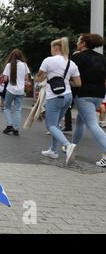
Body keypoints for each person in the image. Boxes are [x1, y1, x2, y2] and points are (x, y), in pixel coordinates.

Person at [36, 37, 81, 165]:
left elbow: (38, 78)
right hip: (68, 96)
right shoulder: (71, 63)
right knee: (56, 124)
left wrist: (47, 77)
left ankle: (67, 146)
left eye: (51, 47)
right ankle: (53, 151)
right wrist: (64, 81)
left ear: (56, 48)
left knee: (51, 125)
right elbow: (78, 83)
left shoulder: (48, 61)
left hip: (54, 97)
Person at [71, 34, 106, 167]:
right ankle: (72, 147)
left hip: (84, 94)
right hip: (99, 94)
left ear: (83, 43)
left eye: (79, 40)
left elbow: (71, 75)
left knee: (92, 124)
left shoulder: (77, 57)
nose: (77, 42)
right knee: (81, 121)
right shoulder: (101, 58)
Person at [1, 49, 31, 136]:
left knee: (7, 107)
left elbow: (5, 79)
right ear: (20, 56)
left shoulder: (8, 65)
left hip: (11, 89)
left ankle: (9, 125)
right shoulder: (24, 65)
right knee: (18, 110)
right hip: (20, 91)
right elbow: (26, 78)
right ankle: (16, 129)